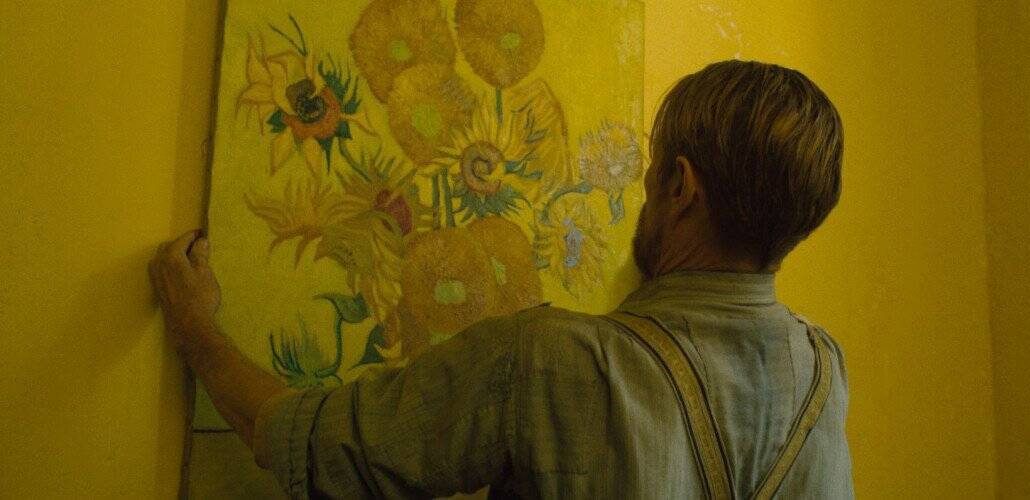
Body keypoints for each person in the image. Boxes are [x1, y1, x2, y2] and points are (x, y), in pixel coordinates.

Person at [151, 60, 851, 499]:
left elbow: (313, 443)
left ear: (681, 187)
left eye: (651, 171)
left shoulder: (547, 359)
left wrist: (195, 331)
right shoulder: (825, 373)